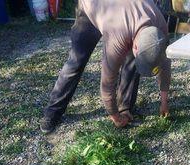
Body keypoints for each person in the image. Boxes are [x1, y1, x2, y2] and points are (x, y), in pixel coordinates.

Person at [40, 0, 171, 133]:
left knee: (135, 60)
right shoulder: (117, 37)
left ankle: (124, 108)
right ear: (135, 46)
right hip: (91, 9)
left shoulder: (160, 28)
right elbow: (107, 84)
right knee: (76, 62)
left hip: (123, 15)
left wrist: (164, 102)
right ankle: (52, 112)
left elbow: (164, 63)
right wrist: (115, 117)